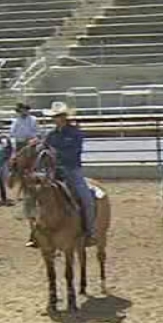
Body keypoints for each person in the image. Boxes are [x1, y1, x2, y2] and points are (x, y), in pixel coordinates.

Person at [43, 101, 96, 246]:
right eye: (54, 116)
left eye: (59, 116)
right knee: (36, 197)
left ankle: (90, 231)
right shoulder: (50, 135)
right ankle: (36, 233)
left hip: (72, 170)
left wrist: (56, 154)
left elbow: (75, 153)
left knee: (87, 199)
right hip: (53, 172)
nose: (56, 119)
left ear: (65, 117)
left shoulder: (75, 133)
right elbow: (43, 151)